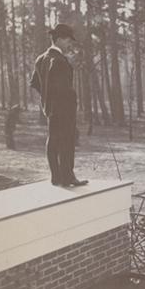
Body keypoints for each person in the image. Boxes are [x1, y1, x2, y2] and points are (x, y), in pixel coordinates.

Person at [30, 23, 88, 187]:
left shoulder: (41, 59)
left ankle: (56, 177)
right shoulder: (60, 61)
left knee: (53, 140)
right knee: (67, 141)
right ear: (60, 39)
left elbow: (35, 83)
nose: (70, 45)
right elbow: (63, 88)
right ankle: (68, 177)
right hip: (64, 108)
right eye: (69, 41)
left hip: (50, 109)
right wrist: (72, 100)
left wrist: (47, 99)